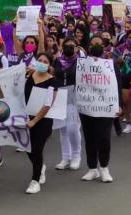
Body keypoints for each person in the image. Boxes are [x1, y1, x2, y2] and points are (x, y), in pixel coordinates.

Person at [79, 35, 122, 182]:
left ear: (104, 46)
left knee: (104, 137)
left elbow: (118, 85)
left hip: (106, 107)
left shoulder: (110, 64)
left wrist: (119, 104)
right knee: (89, 137)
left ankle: (104, 167)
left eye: (98, 44)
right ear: (88, 47)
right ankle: (92, 168)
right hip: (87, 105)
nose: (95, 46)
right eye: (92, 44)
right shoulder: (82, 64)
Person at [24, 52, 58, 194]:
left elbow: (48, 104)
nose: (42, 63)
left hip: (42, 120)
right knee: (27, 149)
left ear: (49, 65)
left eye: (45, 61)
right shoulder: (29, 76)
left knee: (37, 149)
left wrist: (35, 120)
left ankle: (35, 181)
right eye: (40, 60)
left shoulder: (52, 81)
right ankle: (40, 167)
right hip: (26, 118)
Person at [53, 38, 82, 171]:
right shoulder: (57, 61)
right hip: (59, 94)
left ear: (77, 48)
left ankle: (76, 156)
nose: (69, 48)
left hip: (74, 95)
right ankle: (66, 157)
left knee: (72, 127)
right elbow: (53, 75)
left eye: (72, 46)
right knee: (62, 128)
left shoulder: (81, 62)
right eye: (66, 46)